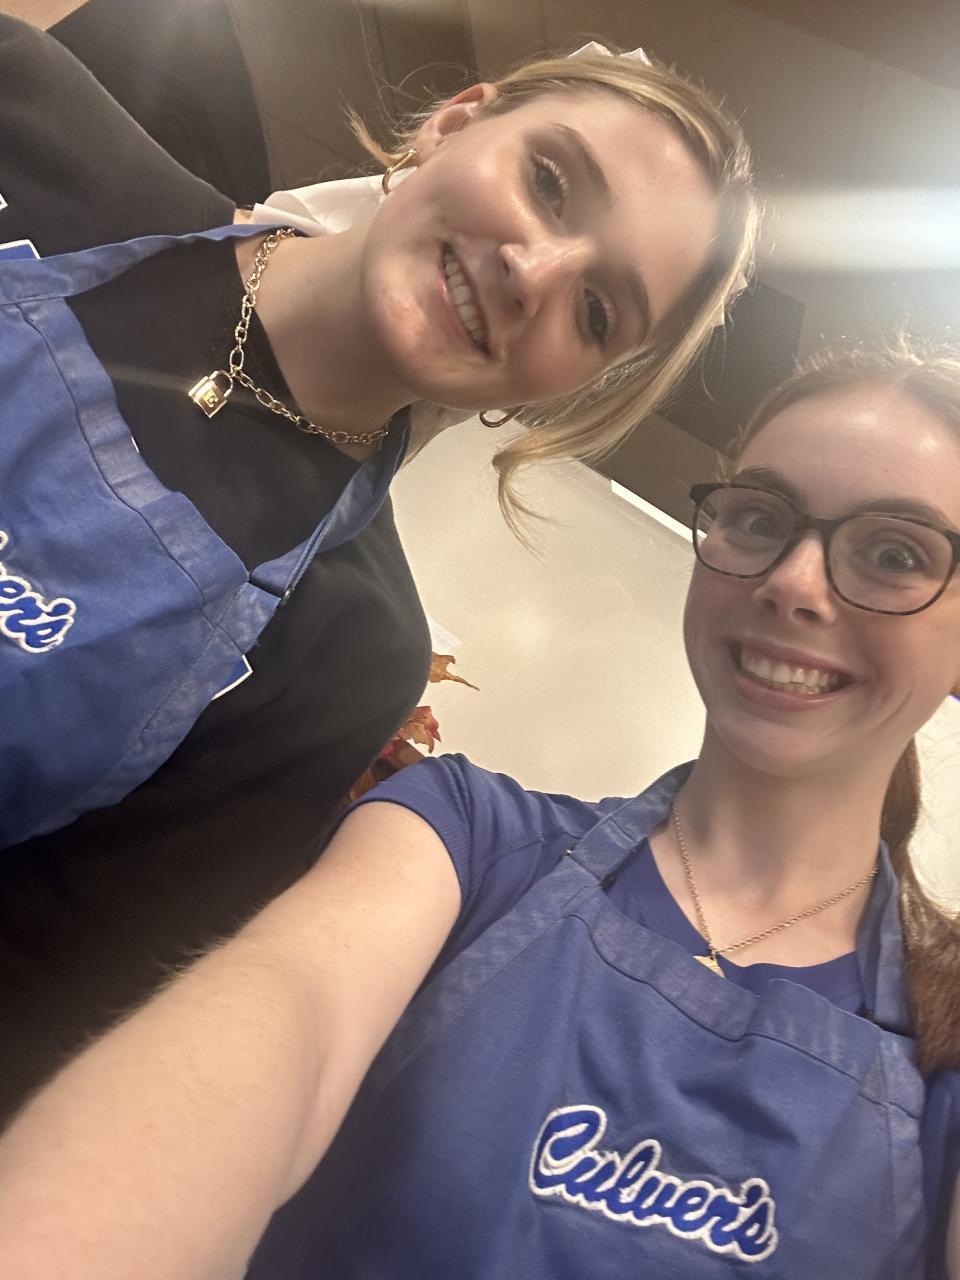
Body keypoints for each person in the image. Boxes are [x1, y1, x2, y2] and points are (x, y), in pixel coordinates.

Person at [2, 337, 959, 1278]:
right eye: (759, 518)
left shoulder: (944, 1022)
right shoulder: (460, 836)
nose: (792, 582)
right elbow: (285, 1016)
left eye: (893, 552)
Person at [0, 15, 759, 1120]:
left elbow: (35, 1007)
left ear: (571, 381)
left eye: (598, 310)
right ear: (453, 124)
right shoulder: (28, 120)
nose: (535, 271)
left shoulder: (350, 653)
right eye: (549, 183)